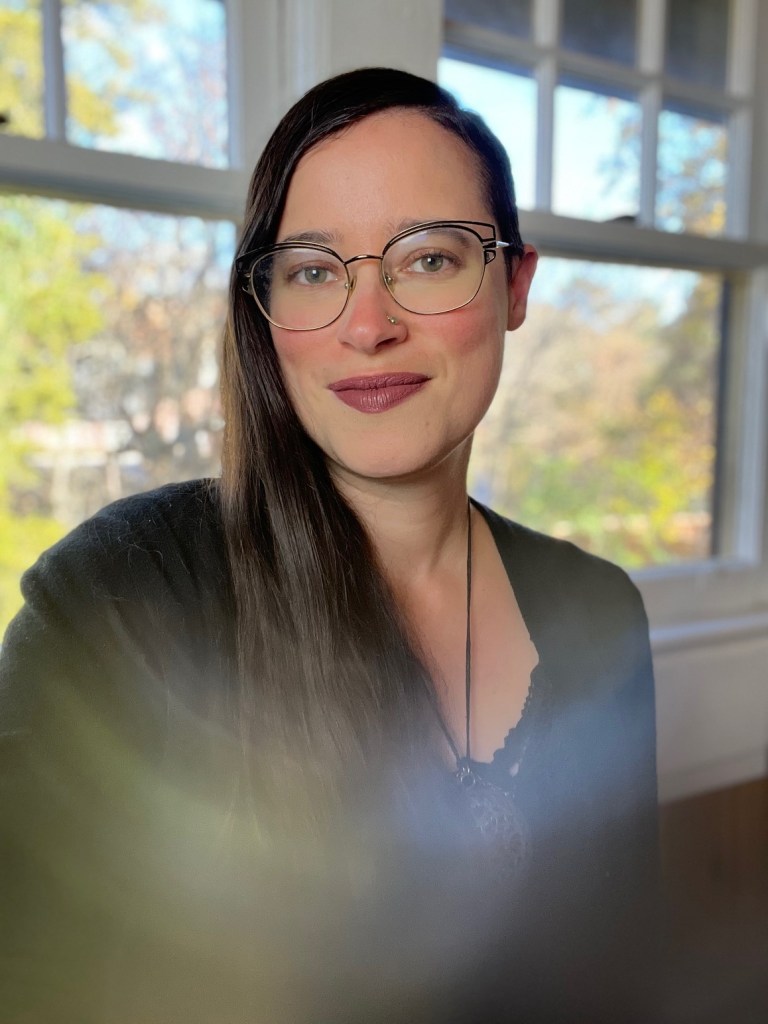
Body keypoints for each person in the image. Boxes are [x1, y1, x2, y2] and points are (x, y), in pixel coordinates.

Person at [1, 68, 659, 1023]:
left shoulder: (601, 613)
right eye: (313, 270)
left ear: (515, 285)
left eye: (428, 259)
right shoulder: (115, 599)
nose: (367, 325)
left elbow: (622, 971)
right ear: (264, 311)